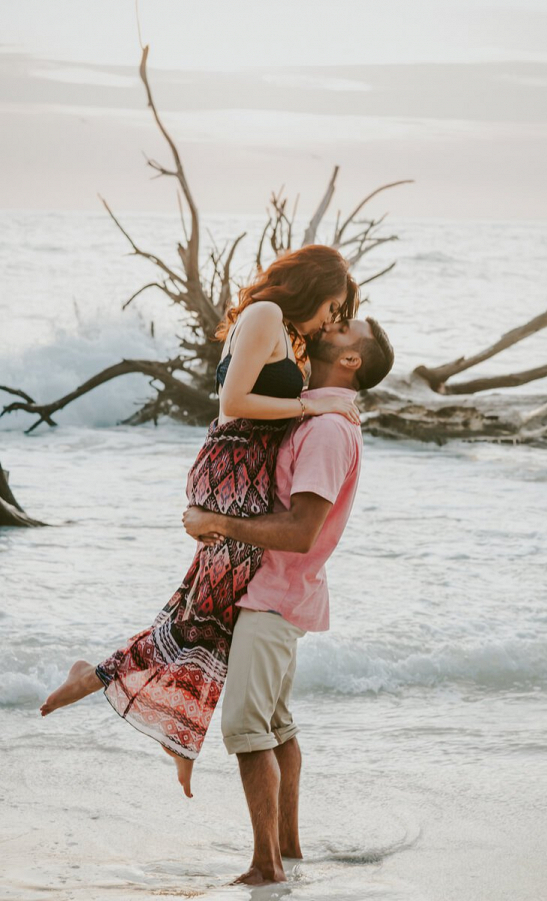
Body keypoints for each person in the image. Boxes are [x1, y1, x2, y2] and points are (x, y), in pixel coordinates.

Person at [39, 245, 361, 796]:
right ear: (310, 287)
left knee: (209, 611)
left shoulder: (289, 332)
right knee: (204, 609)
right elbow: (235, 400)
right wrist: (313, 407)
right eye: (333, 305)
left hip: (250, 474)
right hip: (230, 467)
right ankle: (96, 679)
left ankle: (177, 730)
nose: (333, 318)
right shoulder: (264, 317)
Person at [182, 315, 395, 885]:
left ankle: (265, 866)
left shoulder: (327, 430)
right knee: (275, 726)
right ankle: (289, 851)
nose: (336, 322)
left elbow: (302, 529)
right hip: (280, 591)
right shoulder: (317, 413)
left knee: (248, 729)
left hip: (275, 593)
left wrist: (216, 522)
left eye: (349, 327)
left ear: (352, 362)